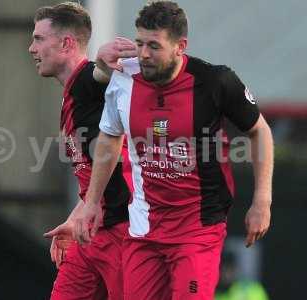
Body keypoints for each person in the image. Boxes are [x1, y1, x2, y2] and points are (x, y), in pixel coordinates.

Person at [73, 1, 274, 299]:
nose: (143, 54)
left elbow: (260, 131)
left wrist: (262, 201)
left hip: (198, 229)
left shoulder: (215, 82)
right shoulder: (125, 77)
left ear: (180, 46)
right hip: (144, 227)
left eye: (154, 46)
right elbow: (109, 138)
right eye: (139, 43)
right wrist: (91, 202)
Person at [28, 3, 136, 300]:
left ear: (66, 44)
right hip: (91, 232)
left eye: (38, 39)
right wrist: (77, 216)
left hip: (124, 233)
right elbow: (94, 173)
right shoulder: (72, 95)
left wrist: (102, 62)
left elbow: (99, 76)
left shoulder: (87, 82)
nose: (31, 48)